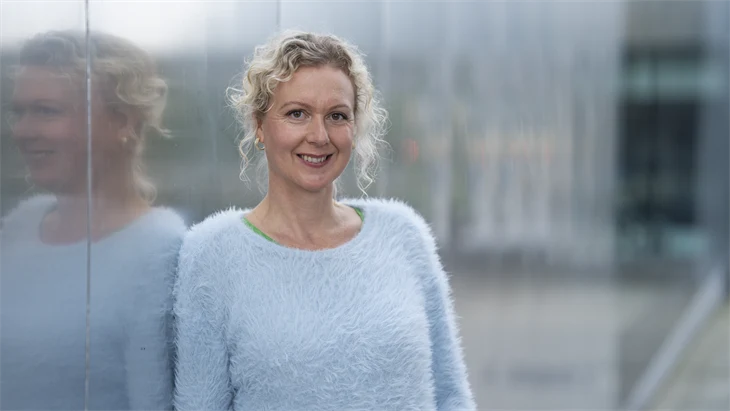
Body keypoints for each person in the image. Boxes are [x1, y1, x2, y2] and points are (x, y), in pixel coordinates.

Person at [173, 30, 476, 411]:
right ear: (259, 124)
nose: (319, 136)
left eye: (336, 116)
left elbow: (451, 395)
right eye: (297, 114)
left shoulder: (403, 234)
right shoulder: (213, 254)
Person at [0, 30, 184, 411]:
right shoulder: (19, 227)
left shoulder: (162, 252)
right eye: (19, 112)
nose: (22, 131)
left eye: (46, 111)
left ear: (123, 121)